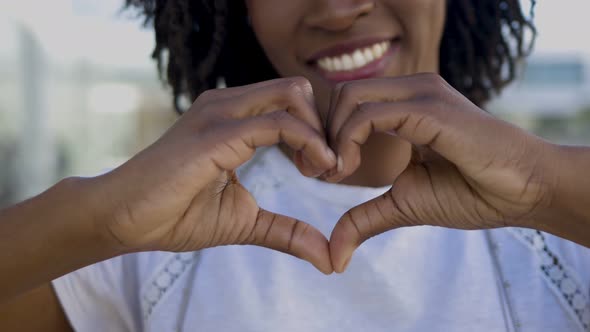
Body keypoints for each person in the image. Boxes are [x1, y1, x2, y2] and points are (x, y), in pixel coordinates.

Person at [1, 0, 590, 331]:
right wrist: (104, 216)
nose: (337, 9)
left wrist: (544, 185)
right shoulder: (144, 244)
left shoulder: (563, 225)